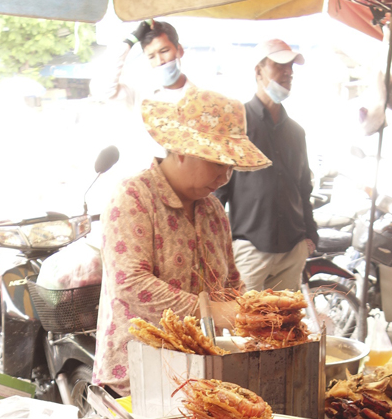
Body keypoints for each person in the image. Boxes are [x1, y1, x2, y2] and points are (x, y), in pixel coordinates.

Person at [92, 86, 270, 393]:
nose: (225, 176)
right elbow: (131, 283)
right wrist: (211, 311)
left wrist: (255, 316)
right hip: (137, 376)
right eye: (217, 162)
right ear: (182, 149)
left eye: (231, 166)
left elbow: (230, 283)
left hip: (199, 374)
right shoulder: (134, 196)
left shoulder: (213, 209)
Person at [216, 39, 317, 292]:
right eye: (279, 65)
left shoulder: (296, 132)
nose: (288, 72)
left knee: (283, 327)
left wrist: (310, 236)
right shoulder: (237, 124)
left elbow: (304, 187)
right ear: (258, 71)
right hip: (250, 247)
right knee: (244, 325)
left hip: (293, 247)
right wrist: (217, 245)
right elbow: (218, 190)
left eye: (291, 66)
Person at [91, 18, 189, 109]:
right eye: (151, 57)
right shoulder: (140, 93)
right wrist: (130, 41)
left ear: (179, 50)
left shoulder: (200, 91)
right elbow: (101, 90)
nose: (159, 61)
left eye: (164, 51)